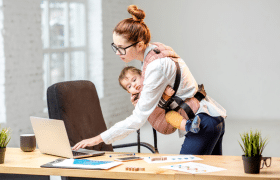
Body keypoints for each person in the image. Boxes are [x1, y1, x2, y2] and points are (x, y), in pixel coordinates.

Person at [73, 5, 226, 167]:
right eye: (115, 47)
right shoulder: (155, 50)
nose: (117, 52)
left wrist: (99, 138)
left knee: (184, 177)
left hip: (203, 123)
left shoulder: (155, 67)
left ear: (139, 45)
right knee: (212, 177)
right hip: (211, 117)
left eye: (121, 48)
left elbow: (137, 119)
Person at [119, 66, 201, 132]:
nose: (133, 85)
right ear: (128, 91)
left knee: (179, 109)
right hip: (161, 122)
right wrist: (166, 96)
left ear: (142, 75)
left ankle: (197, 103)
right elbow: (156, 106)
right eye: (129, 86)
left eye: (134, 80)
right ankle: (189, 126)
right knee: (171, 115)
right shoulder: (138, 99)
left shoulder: (149, 86)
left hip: (167, 112)